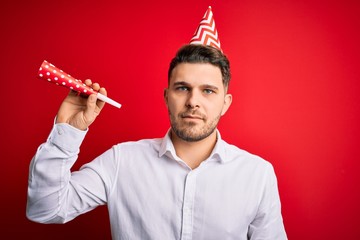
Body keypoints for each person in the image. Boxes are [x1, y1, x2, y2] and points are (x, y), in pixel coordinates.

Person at [27, 44, 287, 239]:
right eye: (183, 88)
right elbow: (45, 209)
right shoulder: (122, 161)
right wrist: (66, 132)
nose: (193, 101)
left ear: (225, 103)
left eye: (208, 91)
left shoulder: (257, 174)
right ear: (166, 97)